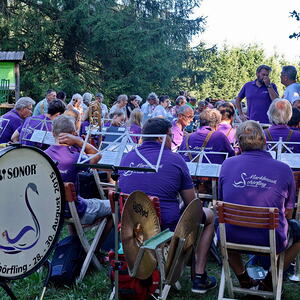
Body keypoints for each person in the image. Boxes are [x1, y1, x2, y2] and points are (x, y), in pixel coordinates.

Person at [119, 118, 217, 294]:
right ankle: (199, 276)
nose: (172, 140)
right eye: (171, 136)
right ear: (161, 138)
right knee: (209, 216)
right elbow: (191, 205)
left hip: (131, 227)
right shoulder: (175, 159)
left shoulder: (127, 157)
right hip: (163, 229)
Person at [218, 120, 300, 290]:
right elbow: (289, 214)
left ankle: (243, 278)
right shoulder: (284, 169)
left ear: (239, 143)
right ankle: (271, 279)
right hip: (270, 238)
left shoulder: (226, 165)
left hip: (231, 236)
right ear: (265, 141)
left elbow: (222, 202)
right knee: (297, 230)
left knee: (222, 226)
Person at [45, 115, 111, 225]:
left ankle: (75, 240)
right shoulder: (74, 158)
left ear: (53, 133)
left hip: (52, 210)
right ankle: (99, 242)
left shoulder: (43, 154)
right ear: (73, 133)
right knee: (115, 205)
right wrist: (79, 141)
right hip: (75, 210)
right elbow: (98, 155)